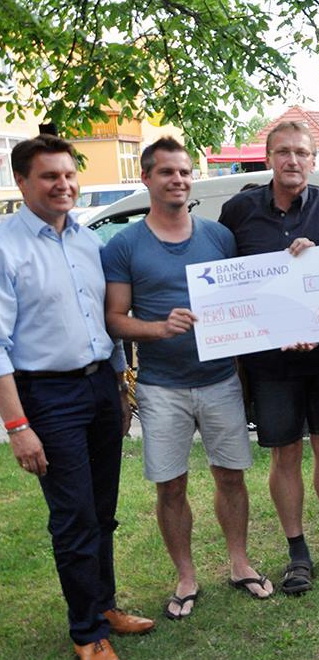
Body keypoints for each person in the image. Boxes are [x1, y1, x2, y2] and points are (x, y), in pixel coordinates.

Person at [102, 138, 274, 620]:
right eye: (166, 172)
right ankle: (185, 576)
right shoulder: (124, 245)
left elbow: (252, 294)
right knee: (171, 486)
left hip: (220, 379)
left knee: (231, 476)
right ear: (146, 178)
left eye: (183, 171)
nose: (177, 180)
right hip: (161, 386)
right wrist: (159, 328)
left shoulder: (218, 236)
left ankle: (239, 563)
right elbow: (114, 318)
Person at [0, 135, 153, 660]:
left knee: (103, 510)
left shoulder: (88, 242)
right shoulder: (6, 246)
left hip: (100, 387)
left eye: (68, 174)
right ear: (22, 181)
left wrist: (120, 387)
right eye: (49, 176)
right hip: (47, 395)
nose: (62, 185)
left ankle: (104, 606)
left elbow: (105, 323)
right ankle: (87, 633)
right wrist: (18, 426)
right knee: (74, 516)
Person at [218, 121, 319, 595]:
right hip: (270, 358)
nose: (292, 160)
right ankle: (297, 554)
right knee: (284, 451)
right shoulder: (238, 211)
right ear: (268, 159)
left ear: (313, 161)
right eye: (283, 152)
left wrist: (317, 257)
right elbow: (229, 283)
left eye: (301, 153)